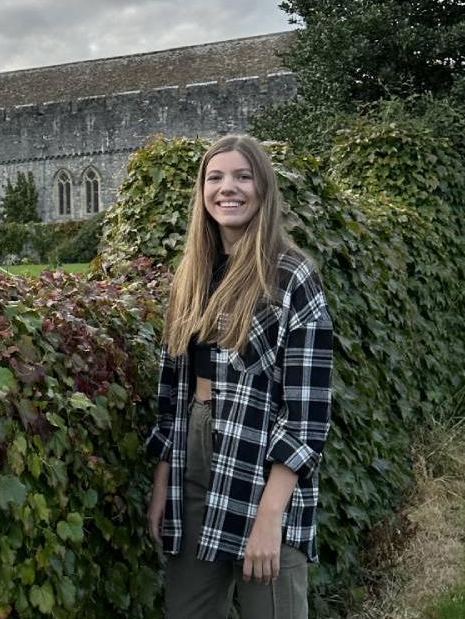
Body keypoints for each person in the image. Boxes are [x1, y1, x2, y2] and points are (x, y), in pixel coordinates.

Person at [145, 135, 333, 618]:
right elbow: (174, 389)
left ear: (263, 188)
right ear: (202, 191)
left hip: (262, 468)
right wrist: (163, 480)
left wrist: (270, 519)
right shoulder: (192, 273)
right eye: (216, 177)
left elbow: (307, 415)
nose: (228, 188)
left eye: (243, 176)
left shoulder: (291, 277)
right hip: (194, 458)